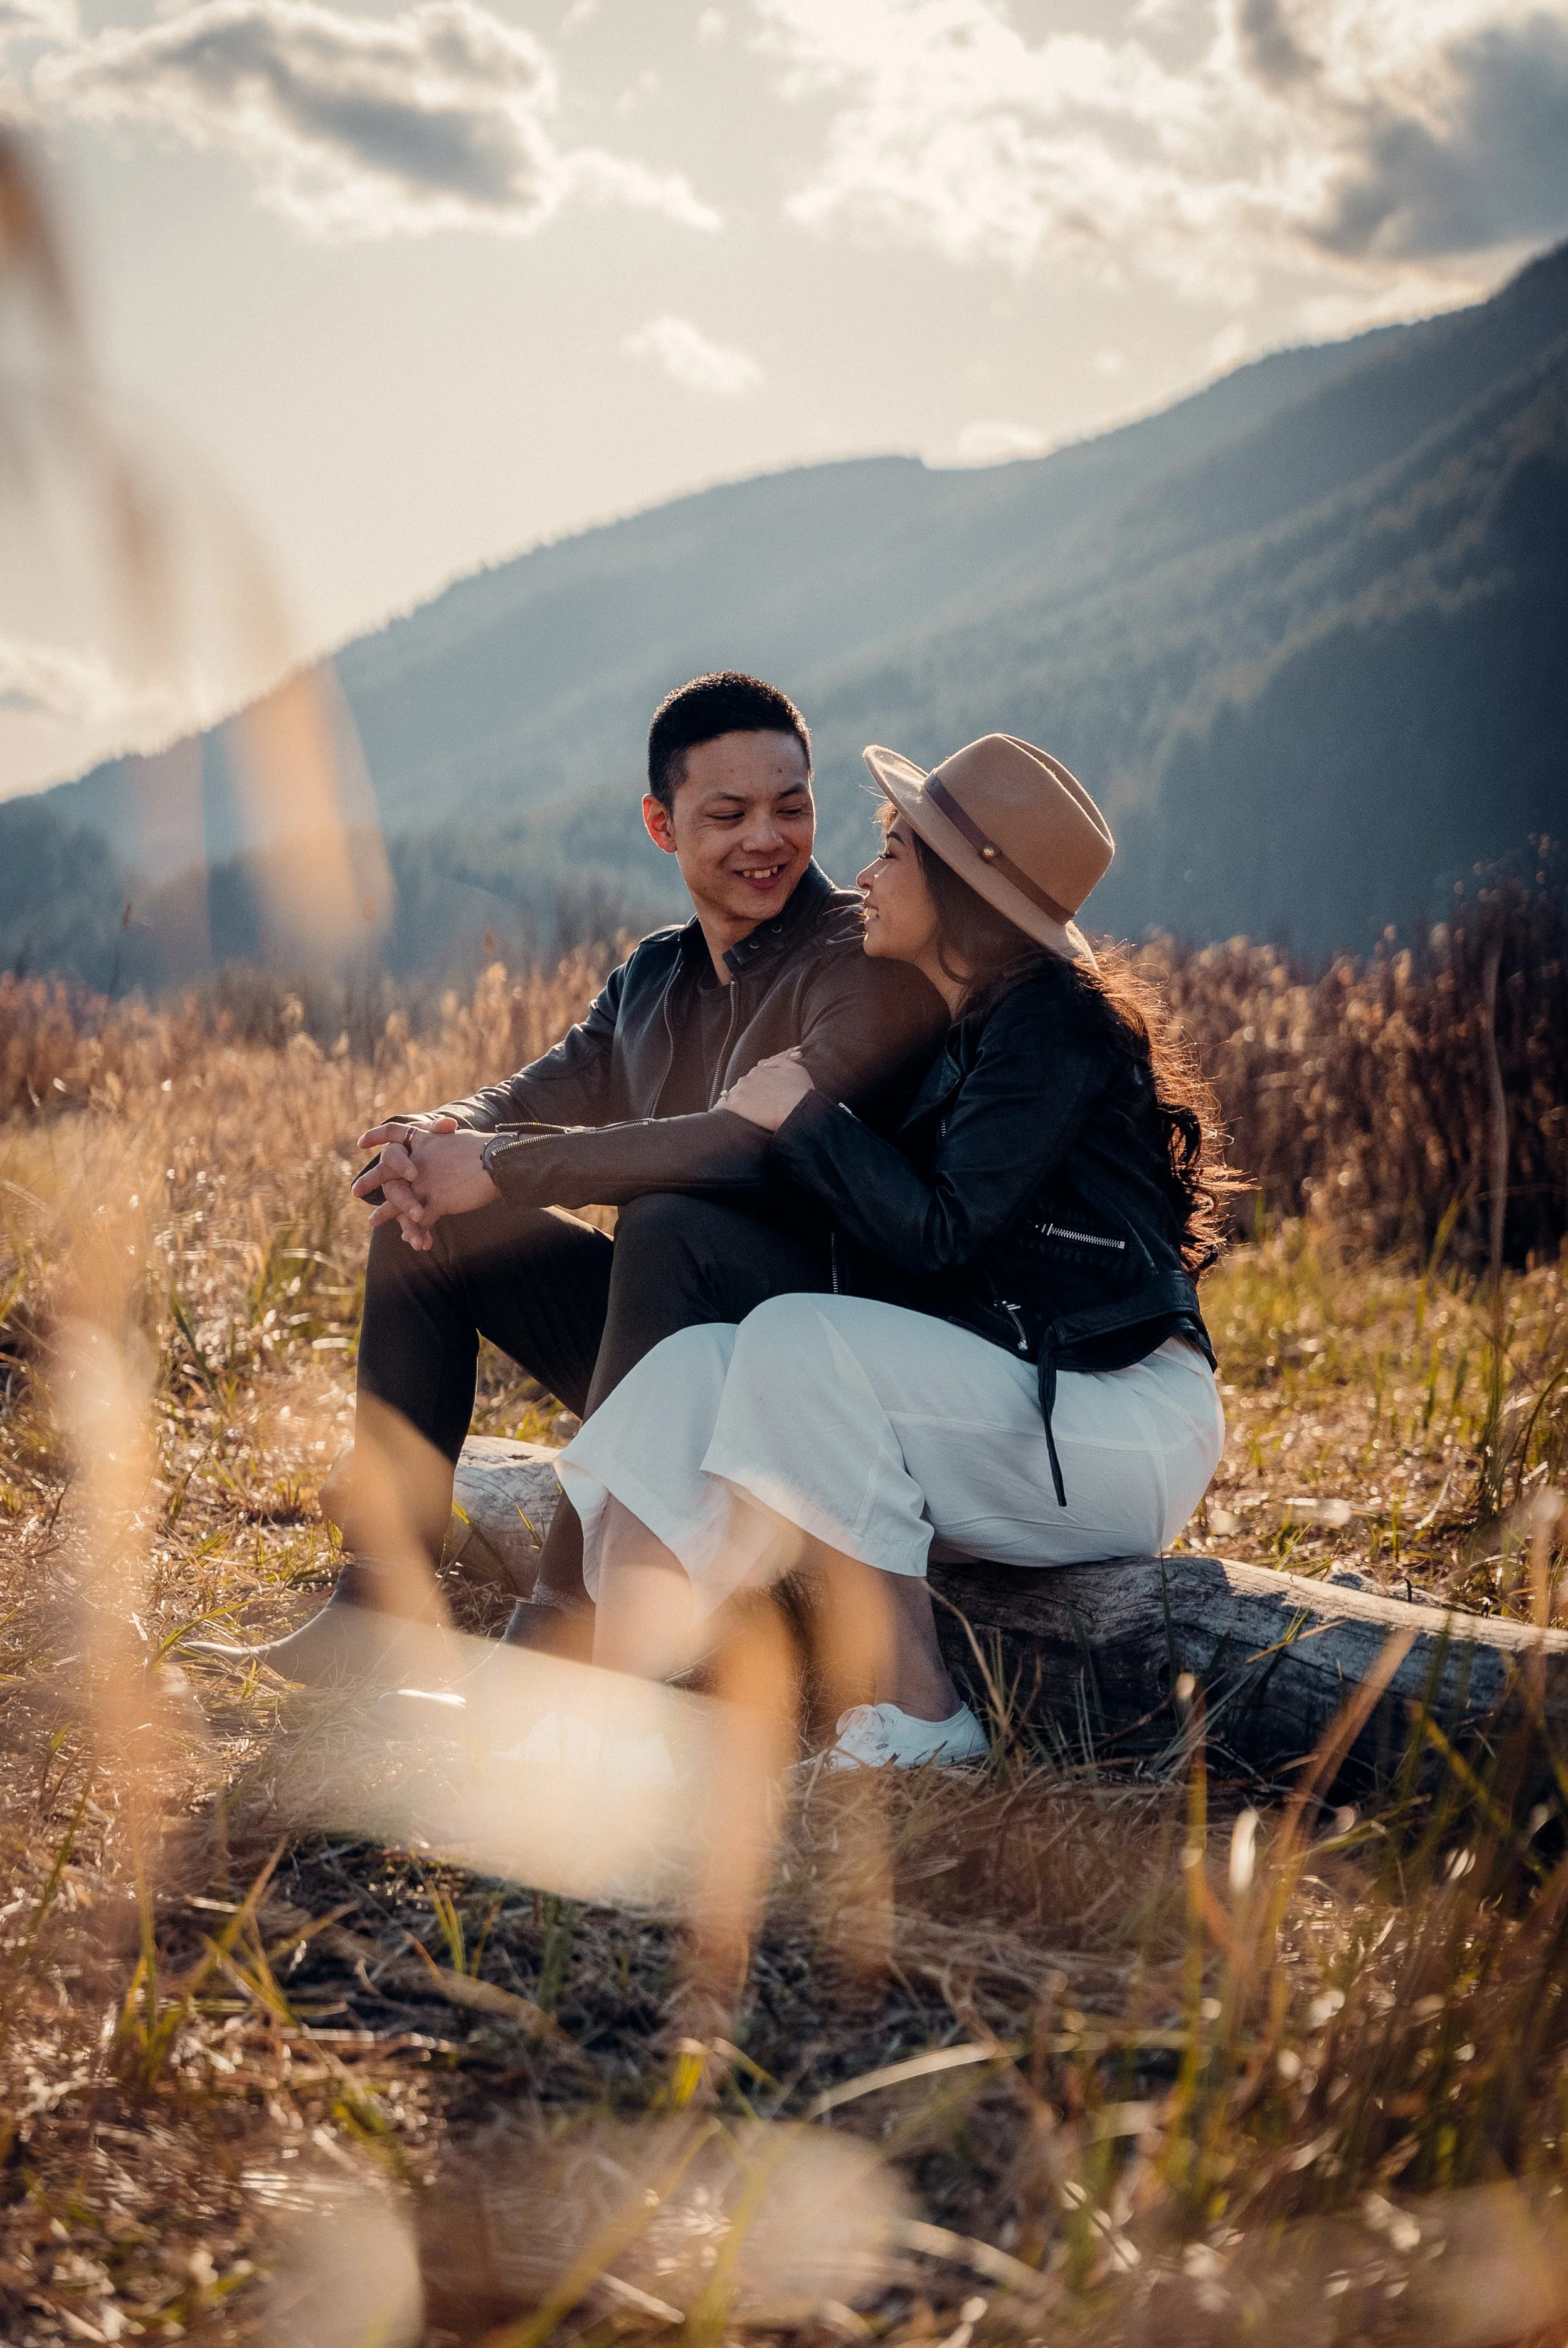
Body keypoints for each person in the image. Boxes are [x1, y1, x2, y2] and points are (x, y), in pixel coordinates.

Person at [194, 674, 944, 1682]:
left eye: (792, 805)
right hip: (663, 1345)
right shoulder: (652, 976)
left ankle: (564, 1625)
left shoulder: (863, 962)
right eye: (727, 813)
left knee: (669, 1220)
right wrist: (443, 1134)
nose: (768, 837)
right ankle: (377, 1611)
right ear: (660, 824)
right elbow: (551, 1082)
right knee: (431, 1235)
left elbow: (743, 1149)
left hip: (802, 1379)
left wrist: (498, 1168)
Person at [548, 731, 1236, 1767]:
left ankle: (921, 1714)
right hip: (1007, 1410)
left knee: (791, 1337)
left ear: (963, 889)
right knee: (684, 1369)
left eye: (895, 851)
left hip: (1120, 1421)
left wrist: (805, 1119)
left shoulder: (1053, 1025)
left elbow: (946, 1236)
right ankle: (610, 1715)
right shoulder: (967, 1029)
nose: (863, 874)